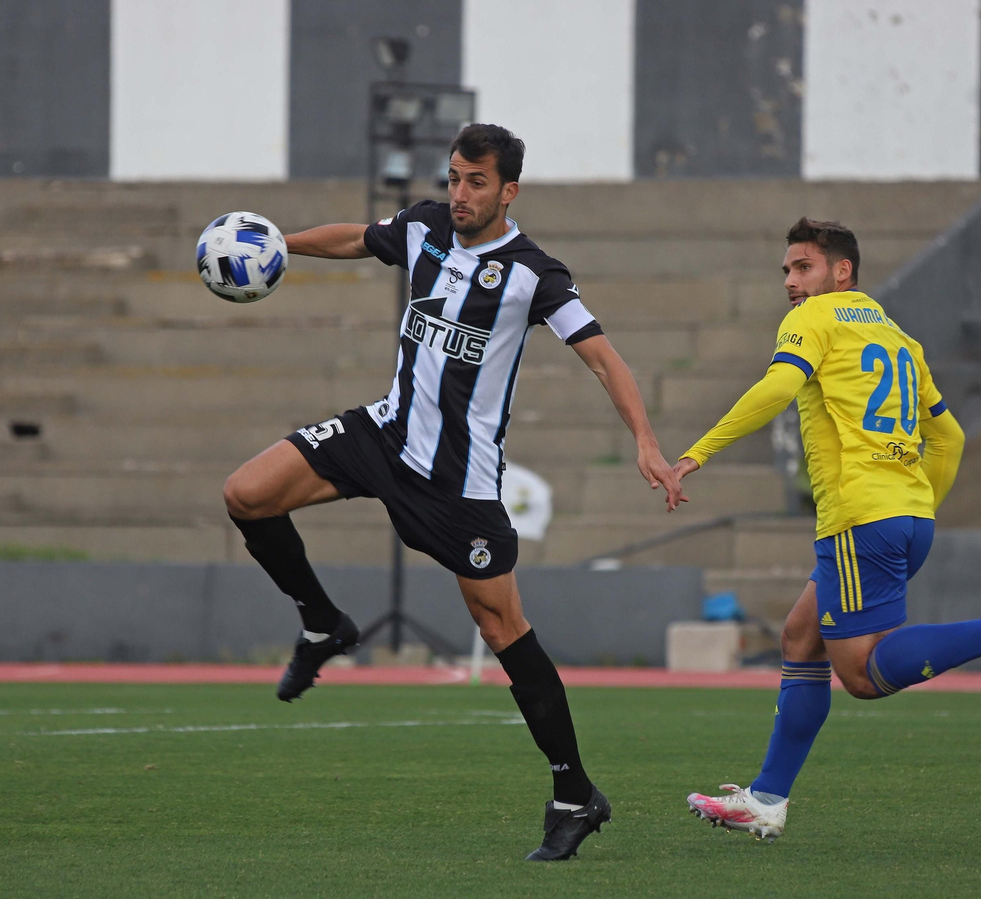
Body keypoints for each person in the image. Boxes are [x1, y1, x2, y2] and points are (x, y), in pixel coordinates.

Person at [221, 123, 686, 861]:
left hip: (457, 484)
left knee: (504, 631)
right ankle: (323, 623)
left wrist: (647, 442)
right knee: (246, 493)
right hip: (383, 434)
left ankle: (575, 792)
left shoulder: (536, 273)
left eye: (476, 183)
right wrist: (280, 245)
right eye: (453, 178)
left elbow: (602, 357)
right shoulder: (427, 228)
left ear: (510, 190)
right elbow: (358, 239)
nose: (459, 195)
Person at [674, 218, 981, 841]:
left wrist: (696, 454)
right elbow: (948, 435)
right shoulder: (899, 336)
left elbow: (780, 386)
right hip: (905, 516)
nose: (790, 281)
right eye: (786, 270)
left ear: (842, 271)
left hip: (859, 520)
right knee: (800, 638)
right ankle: (767, 799)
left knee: (862, 677)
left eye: (802, 267)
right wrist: (920, 505)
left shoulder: (813, 320)